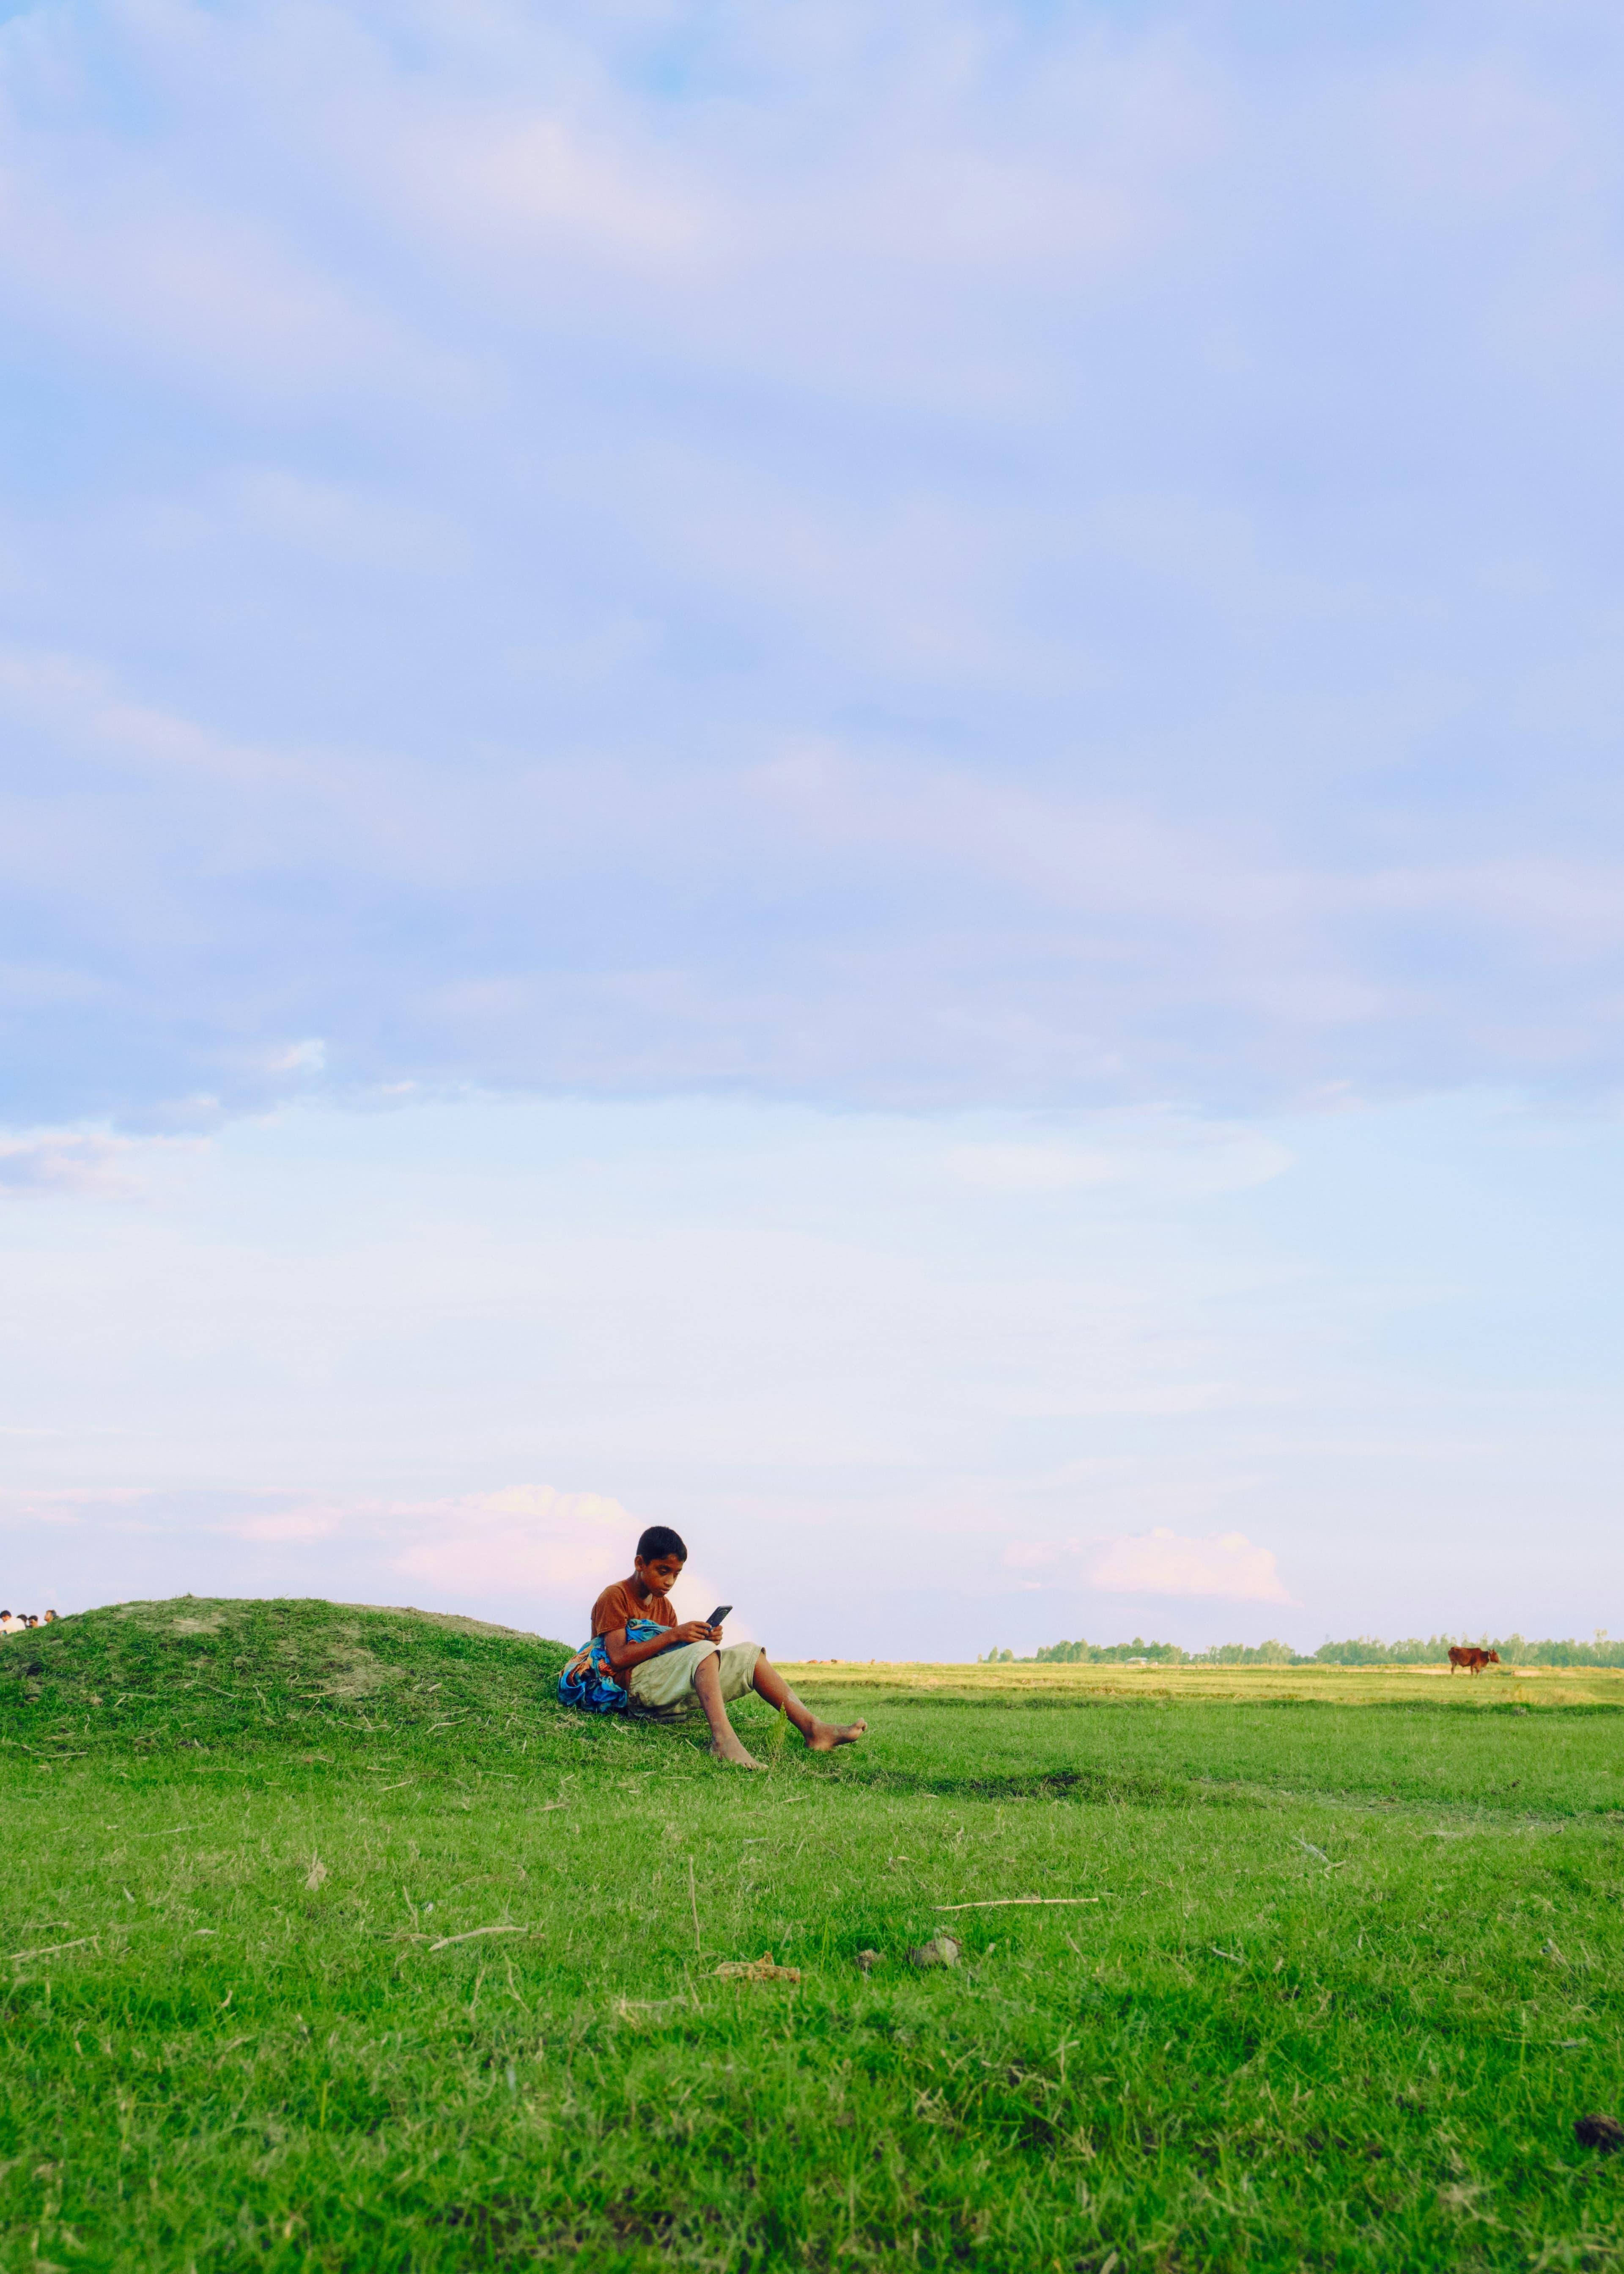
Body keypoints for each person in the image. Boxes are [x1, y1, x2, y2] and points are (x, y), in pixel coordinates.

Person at [559, 1524, 866, 1770]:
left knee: (750, 1655)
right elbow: (617, 1657)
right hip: (631, 1689)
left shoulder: (664, 1607)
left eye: (676, 1574)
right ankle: (724, 1742)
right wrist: (676, 1636)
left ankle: (814, 1730)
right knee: (700, 1653)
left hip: (660, 1686)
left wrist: (702, 1641)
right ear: (640, 1563)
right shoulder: (615, 1596)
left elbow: (674, 1657)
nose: (669, 1581)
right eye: (663, 1571)